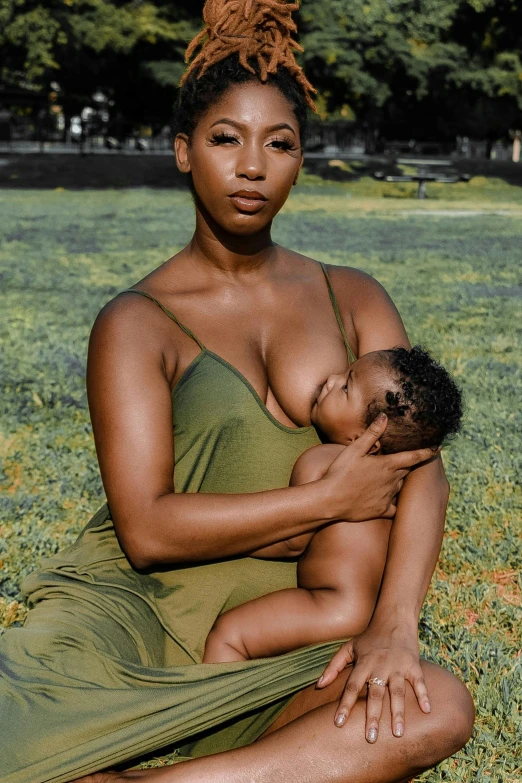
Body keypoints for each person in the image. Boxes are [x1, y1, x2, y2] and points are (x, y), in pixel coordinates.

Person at [0, 1, 474, 782]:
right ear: (184, 151)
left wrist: (395, 625)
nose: (253, 166)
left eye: (279, 144)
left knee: (439, 707)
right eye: (226, 139)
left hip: (284, 644)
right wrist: (327, 501)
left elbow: (421, 460)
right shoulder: (135, 322)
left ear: (299, 160)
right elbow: (148, 530)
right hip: (135, 620)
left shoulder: (351, 296)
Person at [203, 346, 463, 663]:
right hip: (371, 608)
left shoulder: (321, 463)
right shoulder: (398, 480)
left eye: (345, 387)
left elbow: (290, 542)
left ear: (366, 437)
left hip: (333, 606)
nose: (331, 379)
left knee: (230, 636)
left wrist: (223, 540)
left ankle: (218, 707)